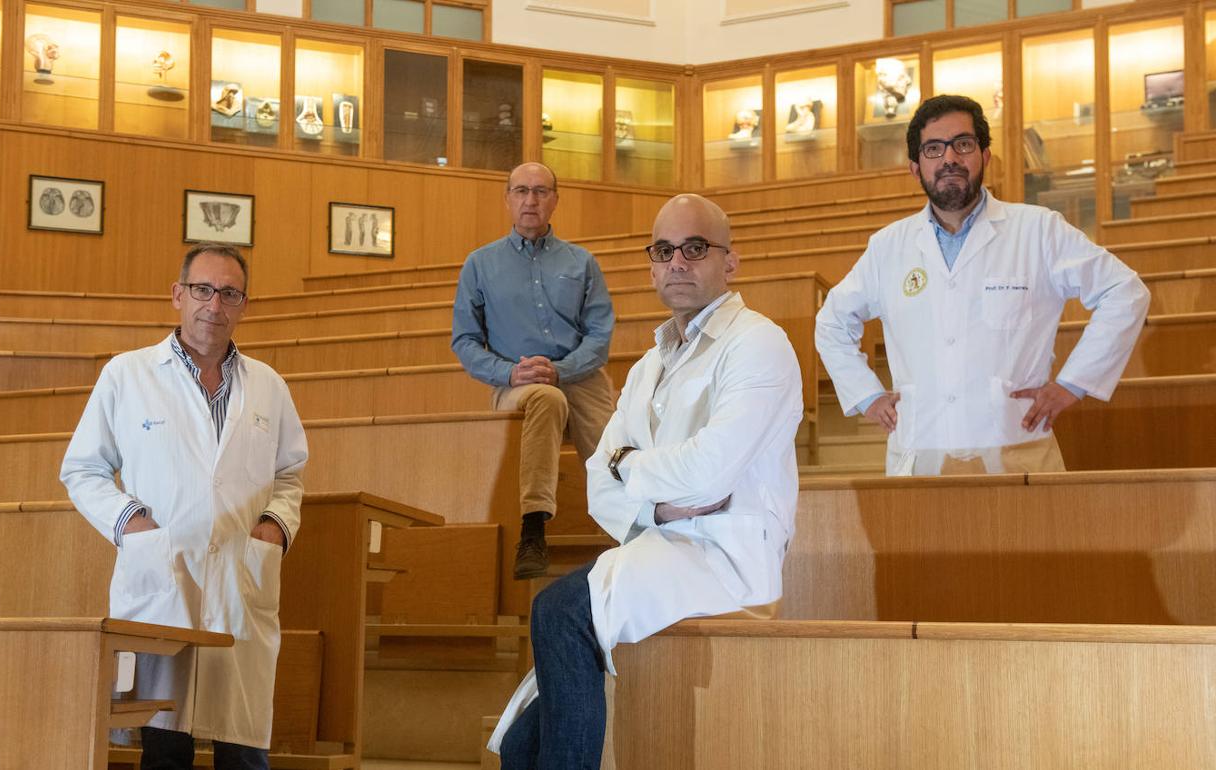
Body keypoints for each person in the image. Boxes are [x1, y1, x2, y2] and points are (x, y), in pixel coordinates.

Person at [487, 194, 804, 768]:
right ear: (652, 264)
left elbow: (710, 472)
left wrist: (628, 466)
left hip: (726, 559)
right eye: (664, 250)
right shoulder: (647, 365)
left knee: (557, 610)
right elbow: (595, 484)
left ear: (729, 262)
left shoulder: (758, 343)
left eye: (695, 248)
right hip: (660, 545)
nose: (677, 262)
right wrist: (657, 509)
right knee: (517, 746)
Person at [60, 243, 308, 769]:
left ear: (244, 304)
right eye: (202, 289)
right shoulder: (127, 375)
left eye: (229, 293)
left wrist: (275, 526)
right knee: (165, 748)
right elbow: (82, 469)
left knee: (243, 752)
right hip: (164, 581)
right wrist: (132, 522)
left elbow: (290, 474)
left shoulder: (269, 385)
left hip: (242, 583)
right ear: (177, 295)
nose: (213, 305)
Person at [815, 94, 1150, 476]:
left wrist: (1073, 384)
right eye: (933, 149)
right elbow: (831, 323)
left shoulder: (1038, 229)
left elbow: (1124, 291)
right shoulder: (889, 247)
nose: (950, 159)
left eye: (963, 144)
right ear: (914, 167)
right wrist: (867, 395)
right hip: (920, 452)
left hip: (1017, 450)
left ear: (985, 156)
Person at [451, 161, 616, 580]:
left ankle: (628, 526)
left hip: (579, 374)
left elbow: (599, 334)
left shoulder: (582, 262)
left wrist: (561, 369)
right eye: (522, 191)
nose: (531, 200)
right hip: (515, 380)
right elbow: (465, 341)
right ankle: (533, 527)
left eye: (541, 191)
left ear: (555, 200)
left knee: (615, 439)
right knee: (545, 397)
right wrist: (510, 374)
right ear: (507, 199)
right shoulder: (479, 264)